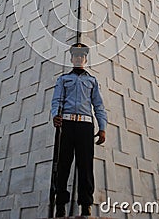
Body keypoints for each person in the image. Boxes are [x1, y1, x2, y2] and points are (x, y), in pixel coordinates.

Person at [51, 43, 107, 217]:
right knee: (63, 166)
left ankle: (86, 205)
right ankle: (60, 205)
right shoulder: (63, 79)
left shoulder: (92, 81)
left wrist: (102, 127)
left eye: (81, 56)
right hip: (66, 125)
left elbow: (98, 105)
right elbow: (56, 101)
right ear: (71, 59)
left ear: (85, 59)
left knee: (85, 167)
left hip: (85, 127)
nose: (78, 59)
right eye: (75, 56)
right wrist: (55, 115)